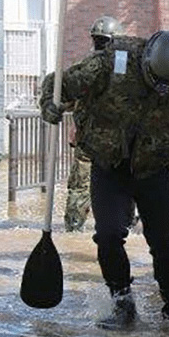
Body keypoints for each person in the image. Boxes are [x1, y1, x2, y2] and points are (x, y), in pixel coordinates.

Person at [40, 31, 169, 328]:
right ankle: (122, 303)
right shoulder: (111, 62)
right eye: (157, 83)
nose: (162, 90)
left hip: (153, 169)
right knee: (109, 236)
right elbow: (57, 84)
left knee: (163, 242)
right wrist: (50, 104)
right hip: (110, 166)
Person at [63, 15, 124, 232]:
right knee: (81, 189)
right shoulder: (92, 67)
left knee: (115, 190)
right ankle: (76, 229)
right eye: (99, 41)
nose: (100, 46)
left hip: (114, 144)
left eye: (103, 41)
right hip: (92, 142)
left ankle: (111, 228)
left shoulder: (122, 69)